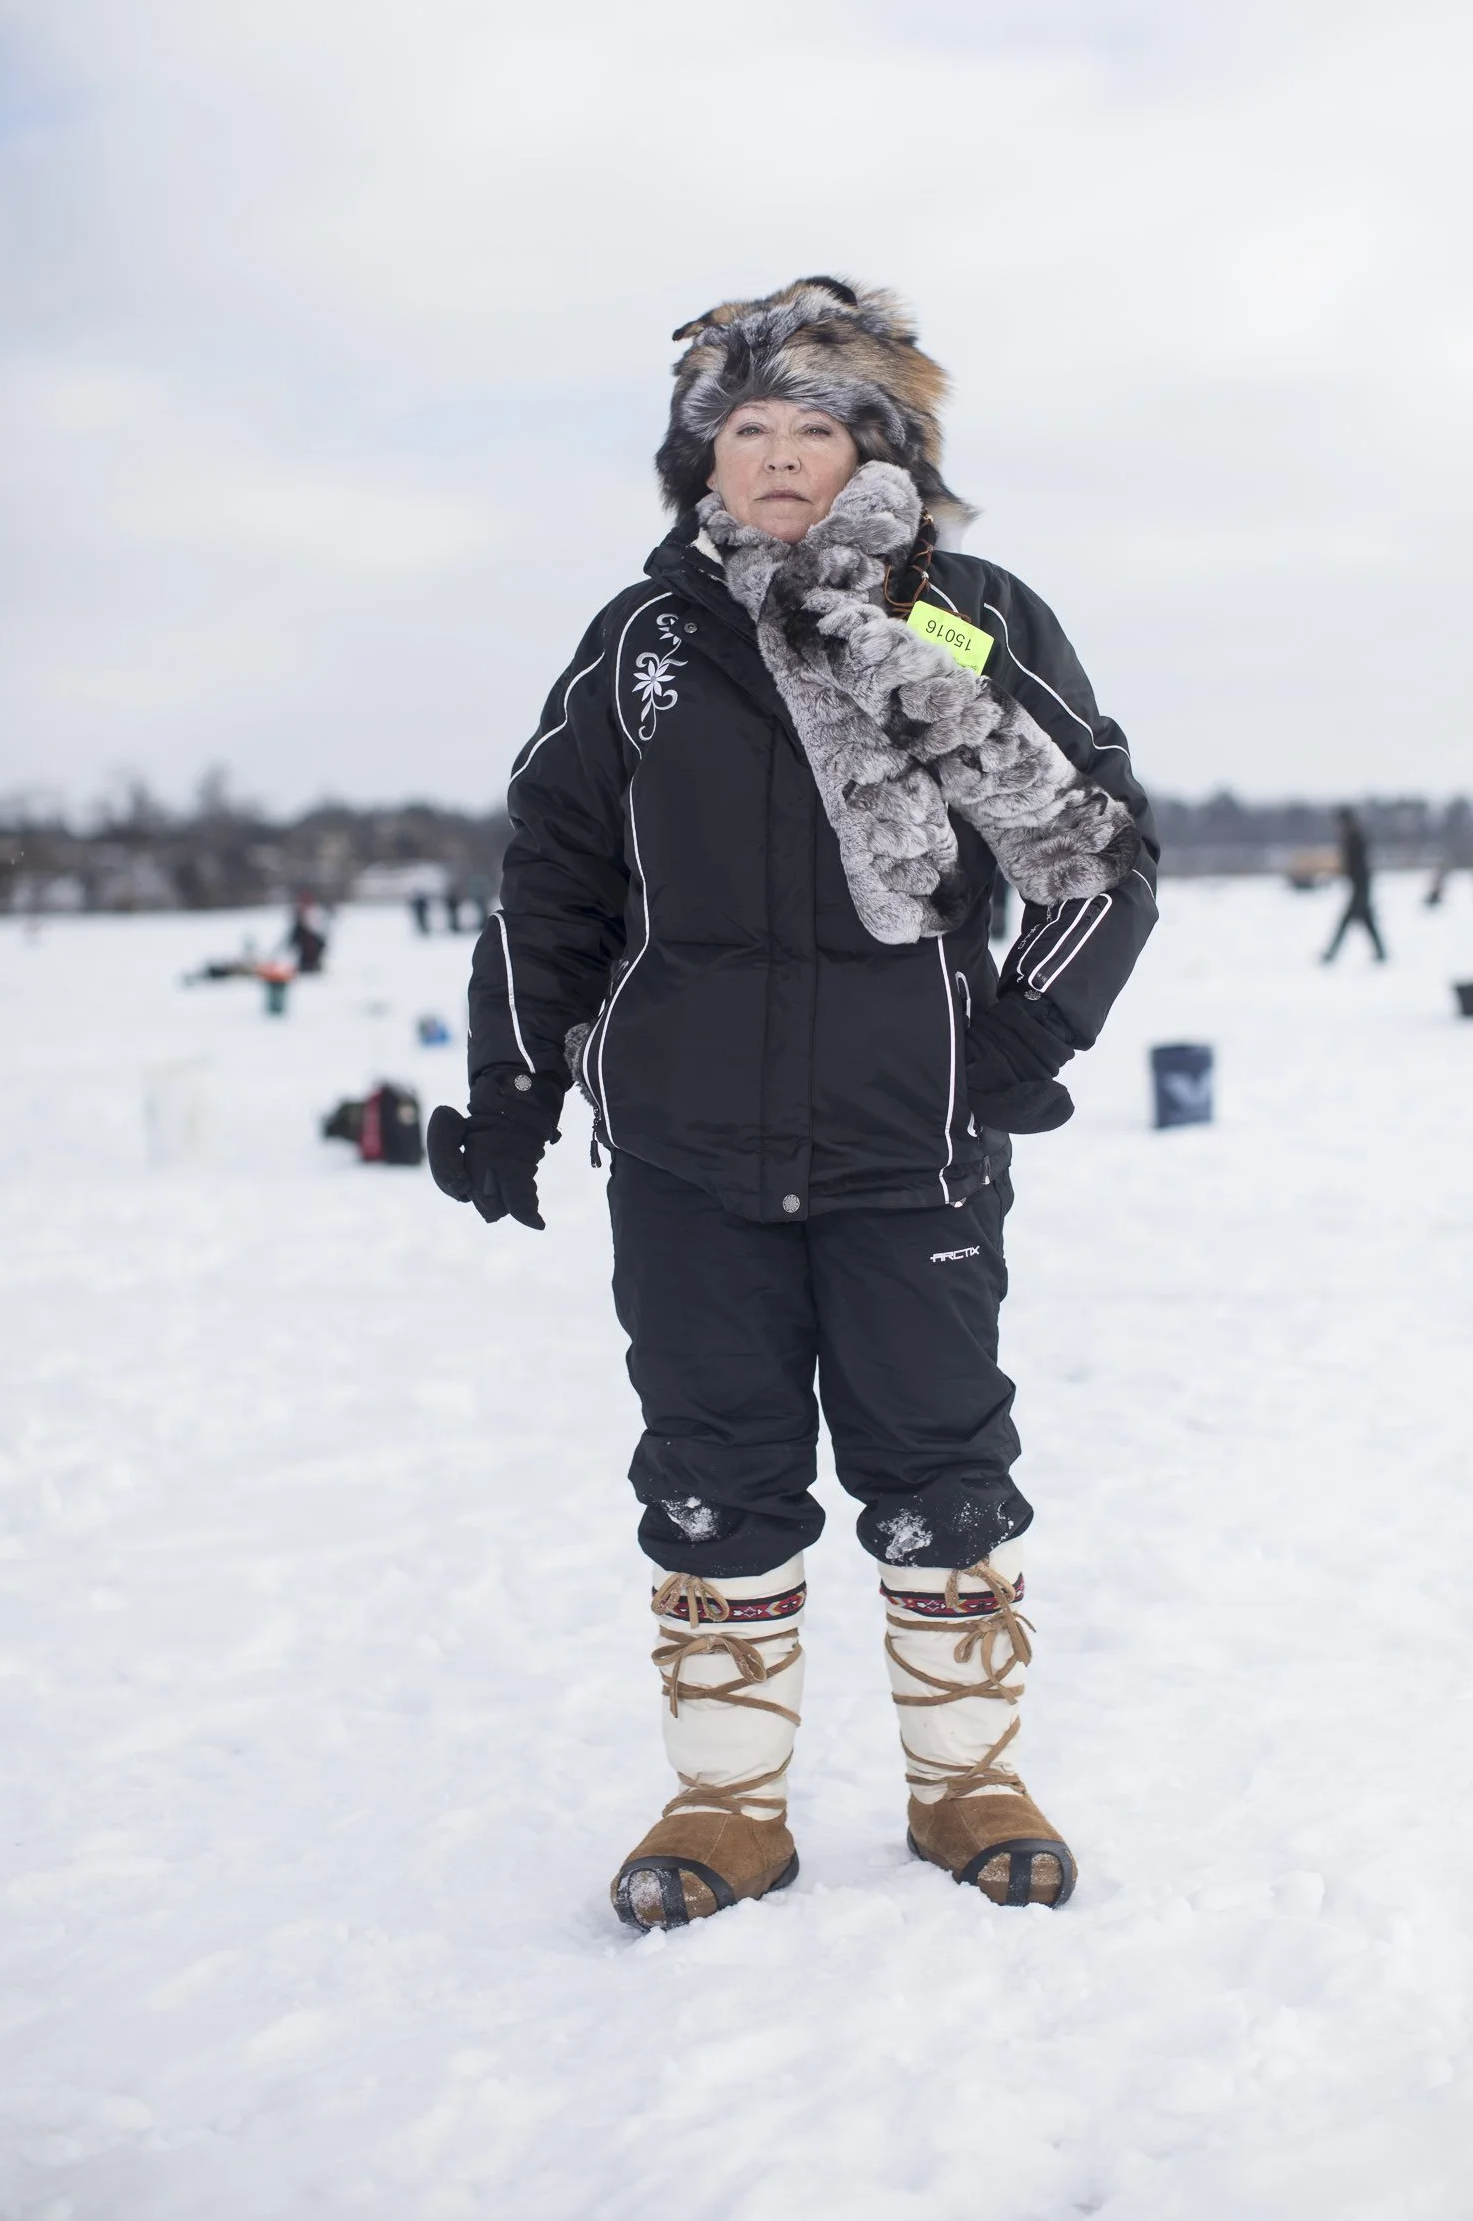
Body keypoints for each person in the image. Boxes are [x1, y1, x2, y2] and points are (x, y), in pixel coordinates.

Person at [427, 278, 1158, 1928]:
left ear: (873, 447)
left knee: (939, 1466)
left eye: (807, 428)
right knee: (711, 1467)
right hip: (685, 1150)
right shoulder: (646, 641)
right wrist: (511, 1076)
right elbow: (551, 876)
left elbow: (1101, 851)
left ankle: (968, 1781)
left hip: (911, 1145)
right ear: (703, 456)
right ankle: (726, 1804)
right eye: (741, 430)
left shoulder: (963, 612)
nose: (770, 459)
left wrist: (1016, 1043)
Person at [1321, 807, 1386, 962]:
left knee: (1347, 922)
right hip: (1358, 887)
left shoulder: (1355, 839)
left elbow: (1355, 865)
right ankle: (1380, 953)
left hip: (1360, 888)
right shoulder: (1353, 838)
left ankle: (1331, 953)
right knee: (1367, 922)